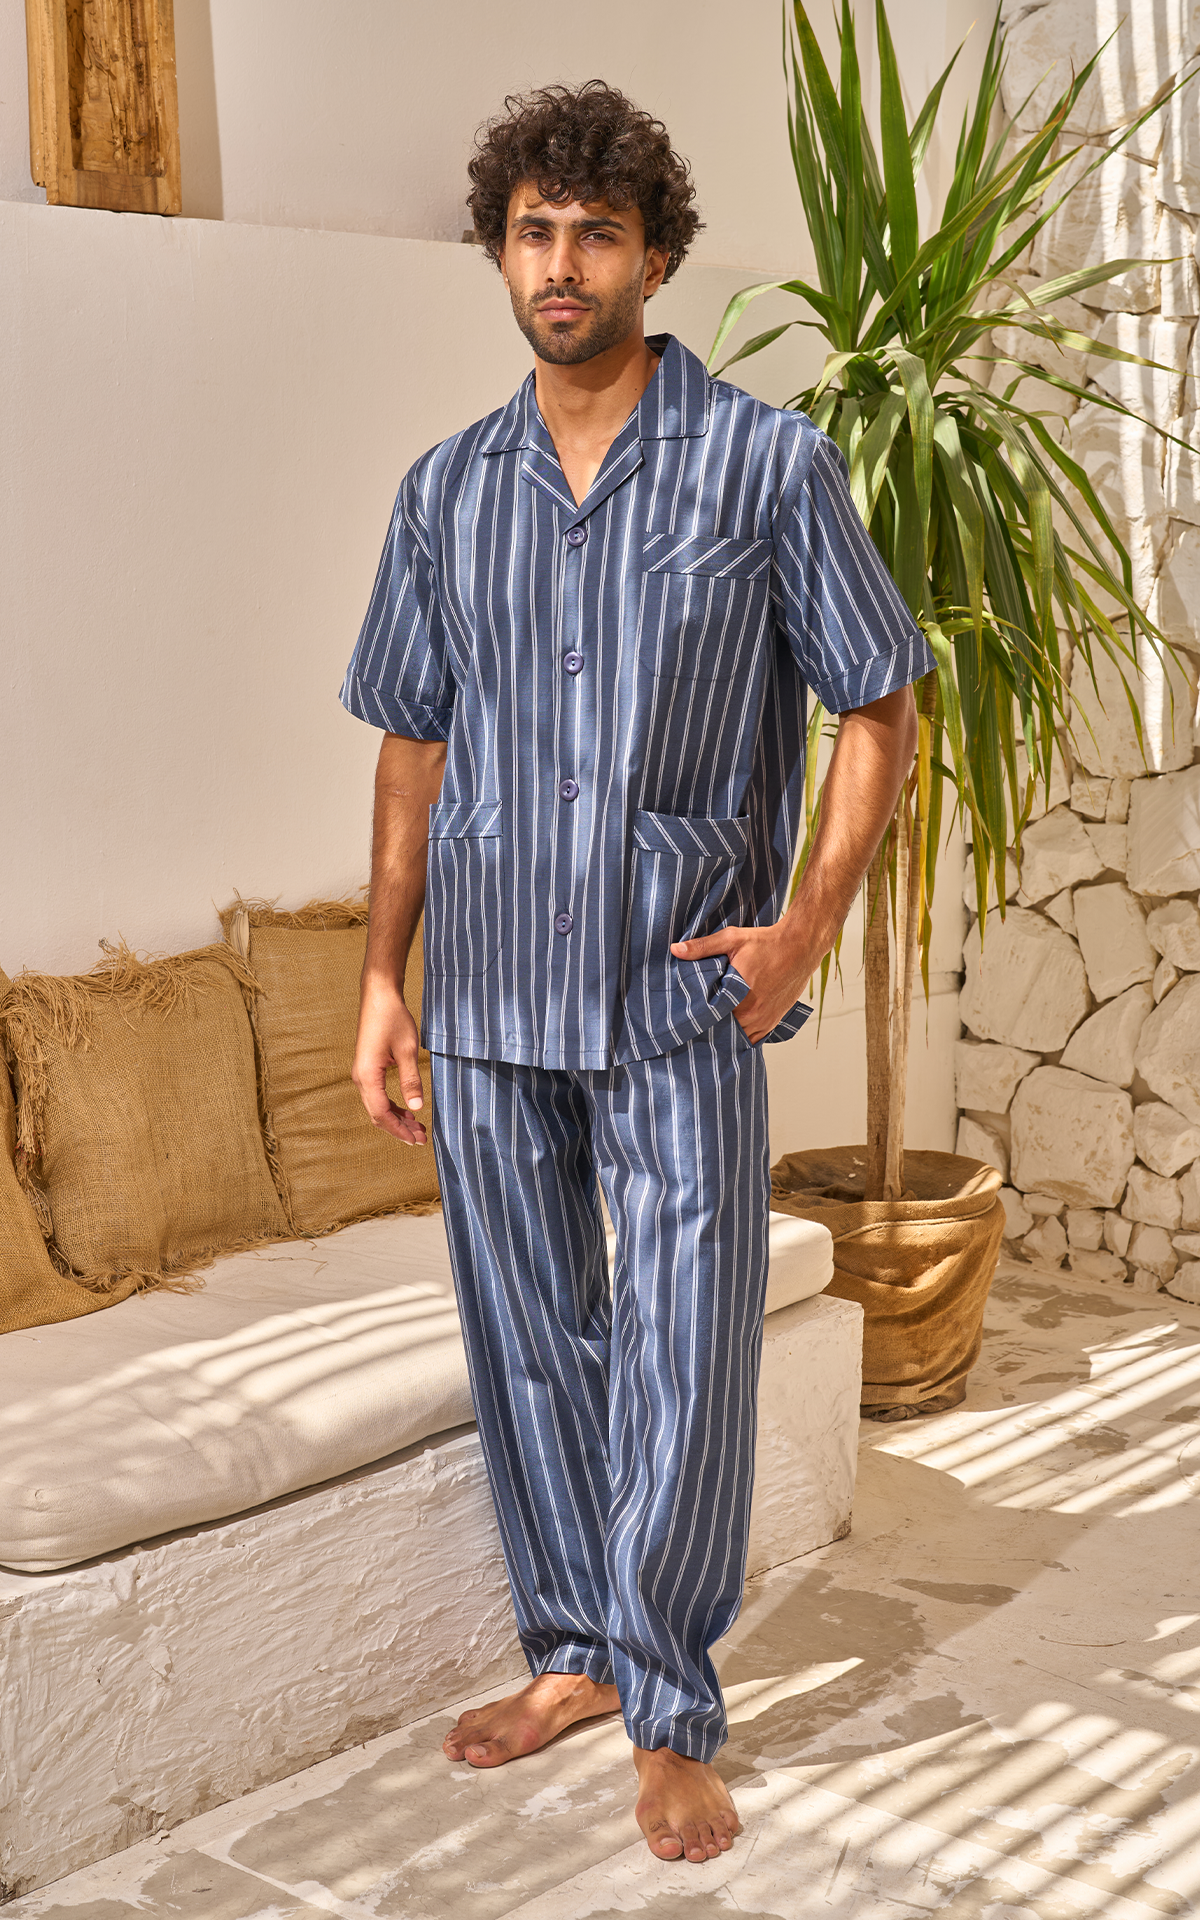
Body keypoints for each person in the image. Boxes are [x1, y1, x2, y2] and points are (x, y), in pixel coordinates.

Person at [342, 79, 931, 1867]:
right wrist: (382, 982)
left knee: (682, 1346)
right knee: (528, 1339)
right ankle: (576, 1654)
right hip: (488, 999)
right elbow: (410, 749)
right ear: (498, 252)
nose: (562, 263)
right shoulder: (445, 493)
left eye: (596, 232)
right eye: (533, 231)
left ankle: (671, 1708)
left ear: (657, 256)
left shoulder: (765, 465)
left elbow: (880, 698)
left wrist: (805, 926)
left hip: (680, 991)